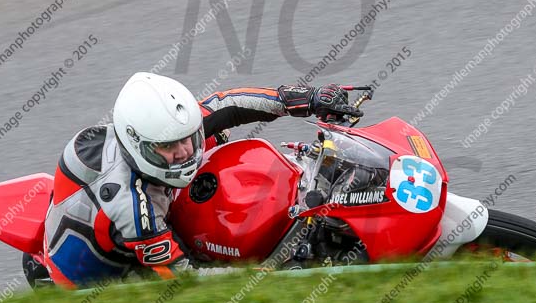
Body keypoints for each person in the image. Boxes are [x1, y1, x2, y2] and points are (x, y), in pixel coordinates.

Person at [26, 72, 362, 289]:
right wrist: (264, 277)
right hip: (109, 276)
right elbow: (185, 277)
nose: (185, 150)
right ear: (137, 144)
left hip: (137, 198)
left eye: (186, 138)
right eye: (170, 146)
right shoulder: (133, 206)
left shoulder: (165, 132)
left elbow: (229, 103)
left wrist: (306, 99)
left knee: (220, 136)